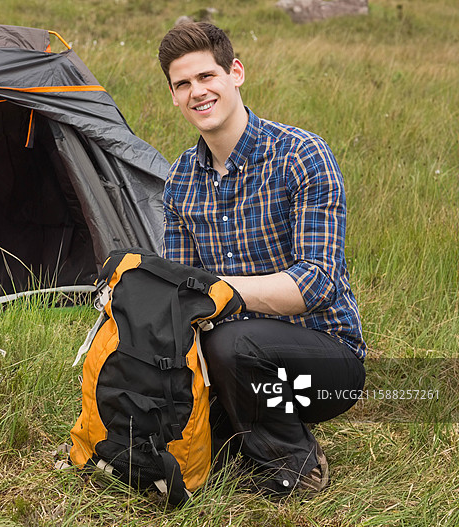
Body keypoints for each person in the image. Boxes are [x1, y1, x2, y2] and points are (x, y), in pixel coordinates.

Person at [157, 21, 366, 494]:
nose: (197, 92)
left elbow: (316, 283)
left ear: (236, 72)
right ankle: (239, 433)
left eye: (207, 76)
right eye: (182, 84)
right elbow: (181, 289)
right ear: (173, 96)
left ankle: (294, 462)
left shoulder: (301, 155)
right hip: (229, 356)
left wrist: (218, 291)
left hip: (326, 360)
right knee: (174, 423)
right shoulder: (179, 181)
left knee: (233, 344)